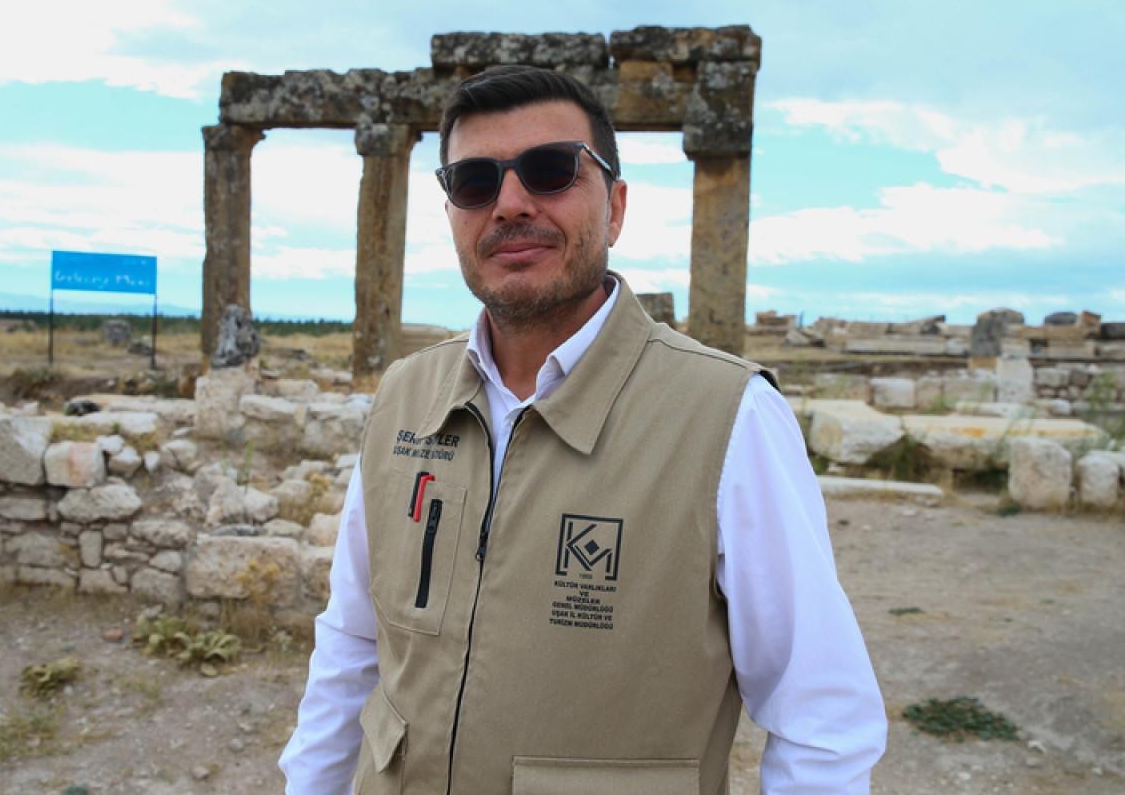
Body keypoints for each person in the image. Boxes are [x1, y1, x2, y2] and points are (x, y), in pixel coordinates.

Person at [280, 65, 886, 795]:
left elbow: (820, 720)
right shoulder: (406, 397)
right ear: (451, 213)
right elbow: (352, 641)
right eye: (474, 182)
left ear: (616, 206)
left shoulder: (730, 419)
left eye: (551, 170)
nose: (509, 203)